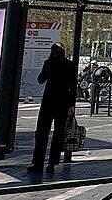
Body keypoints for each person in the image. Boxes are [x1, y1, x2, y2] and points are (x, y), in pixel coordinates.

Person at [29, 43, 77, 175]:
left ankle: (37, 163)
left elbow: (40, 80)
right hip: (63, 103)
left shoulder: (48, 63)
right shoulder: (70, 65)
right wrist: (71, 105)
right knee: (58, 133)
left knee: (42, 133)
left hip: (48, 102)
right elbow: (73, 87)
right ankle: (52, 163)